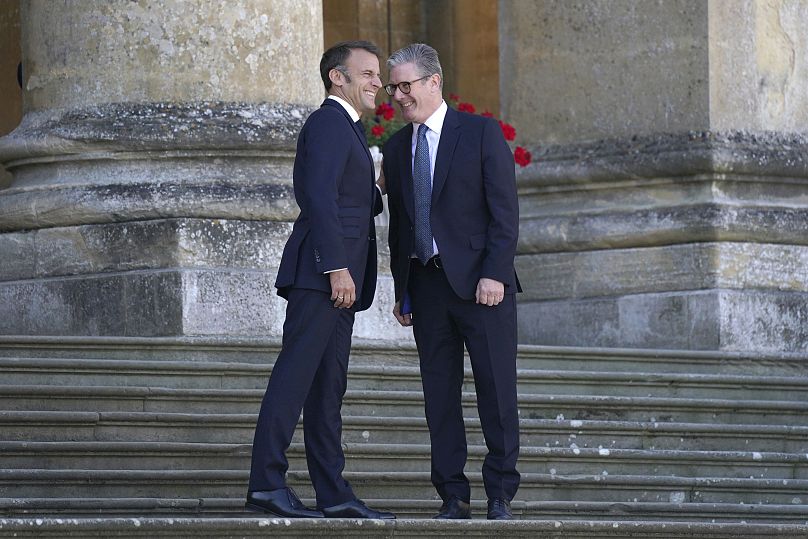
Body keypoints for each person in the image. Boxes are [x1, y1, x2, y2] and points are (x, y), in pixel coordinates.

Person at [246, 40, 394, 520]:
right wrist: (336, 267)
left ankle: (333, 492)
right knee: (293, 380)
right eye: (368, 73)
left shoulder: (346, 129)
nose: (378, 82)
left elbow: (345, 197)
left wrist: (376, 187)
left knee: (327, 389)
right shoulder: (329, 122)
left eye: (379, 74)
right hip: (323, 277)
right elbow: (318, 198)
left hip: (337, 280)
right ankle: (267, 484)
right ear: (338, 76)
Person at [381, 43, 521, 520]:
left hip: (484, 288)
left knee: (496, 393)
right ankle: (452, 494)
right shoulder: (398, 147)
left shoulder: (480, 133)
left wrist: (495, 273)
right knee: (439, 397)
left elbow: (505, 213)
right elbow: (400, 226)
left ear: (434, 81)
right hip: (427, 288)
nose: (398, 96)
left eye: (406, 85)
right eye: (392, 86)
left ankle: (500, 493)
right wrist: (402, 287)